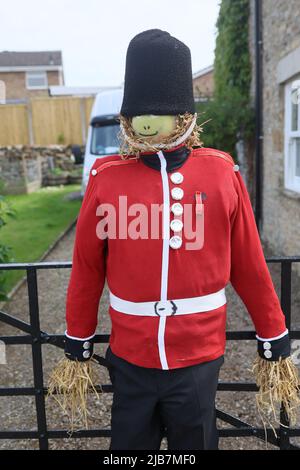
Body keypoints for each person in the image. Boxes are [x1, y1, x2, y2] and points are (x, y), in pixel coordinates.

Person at [49, 29, 299, 450]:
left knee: (196, 446)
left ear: (184, 116)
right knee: (129, 450)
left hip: (198, 354)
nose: (148, 121)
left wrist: (272, 331)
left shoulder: (221, 172)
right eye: (141, 113)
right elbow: (88, 265)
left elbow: (248, 262)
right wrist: (79, 334)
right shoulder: (106, 177)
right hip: (130, 352)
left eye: (159, 111)